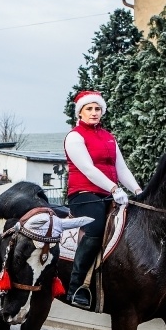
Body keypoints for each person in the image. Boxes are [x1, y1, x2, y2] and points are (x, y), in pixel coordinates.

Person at [63, 91, 142, 309]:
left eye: (97, 108)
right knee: (96, 229)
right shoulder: (75, 137)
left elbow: (121, 169)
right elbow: (88, 169)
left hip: (108, 194)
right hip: (83, 195)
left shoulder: (108, 137)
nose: (94, 112)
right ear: (80, 112)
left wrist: (138, 190)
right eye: (89, 108)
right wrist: (114, 188)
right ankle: (76, 287)